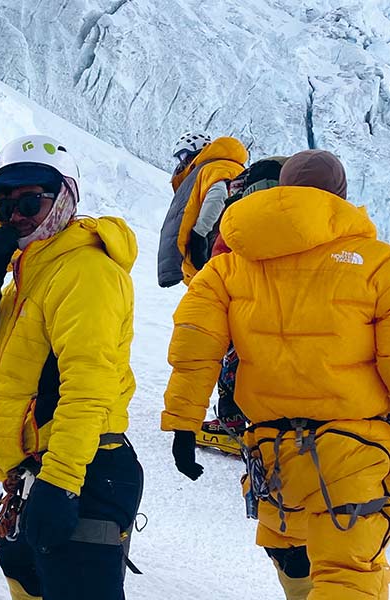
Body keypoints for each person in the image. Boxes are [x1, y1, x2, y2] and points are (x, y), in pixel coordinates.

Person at [162, 150, 390, 599]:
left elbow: (195, 347)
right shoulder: (377, 264)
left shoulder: (228, 266)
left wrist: (183, 425)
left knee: (292, 557)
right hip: (354, 452)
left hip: (273, 454)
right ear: (341, 197)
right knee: (348, 574)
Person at [0, 135, 143, 600]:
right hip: (33, 468)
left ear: (65, 197)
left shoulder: (86, 271)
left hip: (84, 469)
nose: (16, 217)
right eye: (4, 208)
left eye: (28, 202)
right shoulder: (33, 272)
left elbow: (88, 384)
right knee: (26, 581)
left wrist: (60, 483)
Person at [196, 156, 288, 456]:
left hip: (241, 309)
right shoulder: (296, 219)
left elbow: (221, 260)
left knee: (234, 365)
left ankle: (232, 425)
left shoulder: (239, 219)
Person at [158, 133, 247, 288]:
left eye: (183, 155)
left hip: (216, 245)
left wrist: (199, 233)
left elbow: (218, 196)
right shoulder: (232, 167)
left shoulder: (214, 167)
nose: (182, 161)